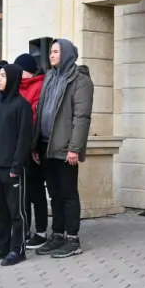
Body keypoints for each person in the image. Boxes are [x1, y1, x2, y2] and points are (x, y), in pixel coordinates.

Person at [33, 39, 93, 258]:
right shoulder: (50, 76)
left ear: (67, 53)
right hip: (46, 145)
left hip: (66, 147)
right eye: (50, 51)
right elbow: (41, 111)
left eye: (56, 51)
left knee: (68, 193)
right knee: (55, 194)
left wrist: (75, 148)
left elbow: (82, 117)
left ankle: (72, 239)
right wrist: (35, 144)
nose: (51, 55)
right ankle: (57, 234)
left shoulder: (80, 80)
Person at [0, 63, 33, 264]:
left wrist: (16, 165)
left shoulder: (22, 106)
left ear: (12, 78)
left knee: (16, 211)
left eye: (2, 76)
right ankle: (1, 246)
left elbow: (23, 139)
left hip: (11, 168)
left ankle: (17, 249)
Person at [13, 53, 47, 249]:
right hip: (19, 146)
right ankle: (24, 229)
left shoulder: (39, 86)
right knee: (22, 192)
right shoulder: (16, 88)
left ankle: (41, 231)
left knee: (36, 191)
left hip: (33, 145)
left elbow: (37, 116)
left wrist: (33, 145)